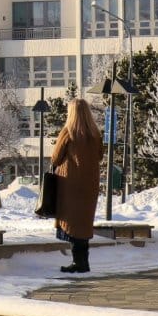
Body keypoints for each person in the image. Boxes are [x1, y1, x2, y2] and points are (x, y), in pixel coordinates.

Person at [50, 98, 103, 273]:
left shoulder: (68, 132)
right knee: (83, 223)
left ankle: (78, 262)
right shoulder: (96, 135)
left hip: (70, 186)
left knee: (72, 223)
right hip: (90, 186)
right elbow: (100, 156)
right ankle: (83, 262)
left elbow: (55, 158)